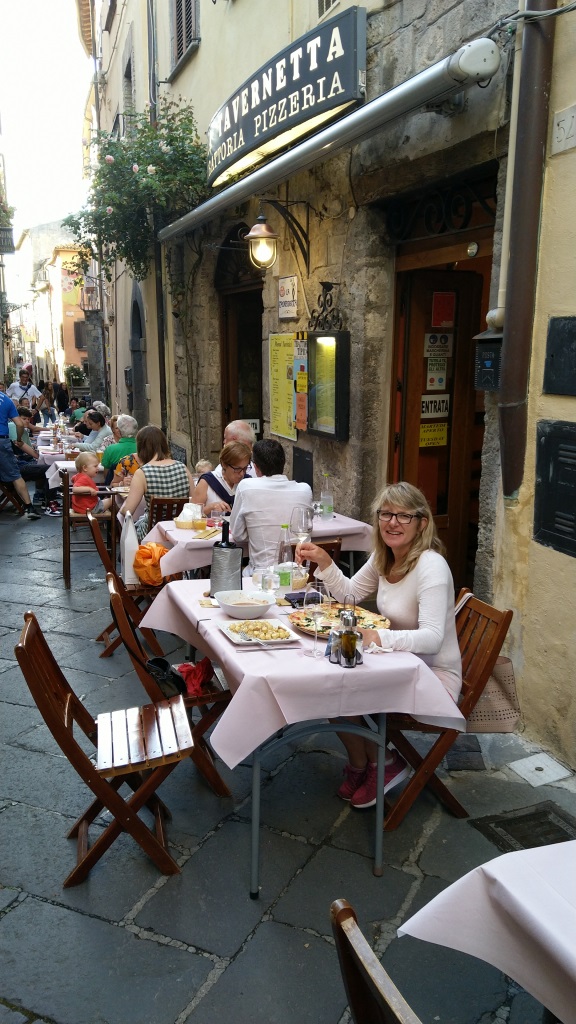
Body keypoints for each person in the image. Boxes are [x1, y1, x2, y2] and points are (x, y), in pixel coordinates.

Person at [297, 481, 462, 810]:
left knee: (338, 686)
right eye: (386, 514)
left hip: (431, 675)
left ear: (422, 523)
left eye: (404, 516)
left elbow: (432, 639)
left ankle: (385, 762)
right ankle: (365, 765)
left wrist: (379, 637)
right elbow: (349, 595)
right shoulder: (385, 557)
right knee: (331, 679)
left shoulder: (431, 566)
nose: (393, 522)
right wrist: (325, 562)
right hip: (395, 662)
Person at [229, 438, 313, 568]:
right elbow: (306, 526)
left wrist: (255, 531)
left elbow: (238, 534)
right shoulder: (305, 490)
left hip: (263, 577)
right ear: (284, 463)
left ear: (256, 467)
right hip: (300, 573)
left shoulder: (246, 487)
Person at [120, 425, 196, 540]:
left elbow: (128, 511)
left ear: (141, 447)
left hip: (152, 534)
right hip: (180, 531)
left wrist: (121, 508)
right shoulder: (183, 468)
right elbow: (194, 503)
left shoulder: (142, 473)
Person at [8, 406, 61, 515]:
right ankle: (49, 503)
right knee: (51, 468)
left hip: (18, 463)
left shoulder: (15, 429)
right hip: (16, 467)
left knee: (46, 465)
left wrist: (38, 455)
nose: (27, 421)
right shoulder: (13, 427)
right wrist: (37, 456)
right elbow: (19, 445)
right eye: (24, 419)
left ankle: (42, 496)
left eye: (28, 419)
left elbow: (21, 444)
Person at [0, 390, 42, 519]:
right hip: (1, 440)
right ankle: (29, 507)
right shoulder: (5, 399)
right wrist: (19, 439)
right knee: (15, 475)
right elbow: (19, 424)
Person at [191, 441, 251, 516]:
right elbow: (190, 515)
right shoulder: (207, 482)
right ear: (224, 464)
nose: (242, 473)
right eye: (237, 469)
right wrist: (210, 508)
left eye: (245, 468)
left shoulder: (248, 482)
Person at [101, 414, 138, 483]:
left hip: (116, 488)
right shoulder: (143, 448)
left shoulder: (110, 449)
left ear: (120, 431)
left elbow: (106, 475)